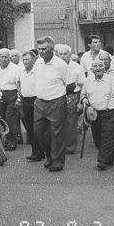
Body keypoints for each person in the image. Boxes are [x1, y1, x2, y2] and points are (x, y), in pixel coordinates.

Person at [33, 36, 75, 172]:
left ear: (52, 49)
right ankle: (49, 156)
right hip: (40, 102)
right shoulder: (38, 62)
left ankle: (58, 161)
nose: (41, 52)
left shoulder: (61, 65)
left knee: (57, 133)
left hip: (56, 101)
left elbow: (71, 85)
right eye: (39, 49)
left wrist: (59, 95)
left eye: (44, 49)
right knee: (40, 132)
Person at [80, 59, 114, 170]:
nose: (98, 68)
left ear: (105, 68)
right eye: (95, 66)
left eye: (101, 66)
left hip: (109, 112)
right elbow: (83, 95)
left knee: (107, 136)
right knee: (97, 138)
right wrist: (84, 99)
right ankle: (108, 157)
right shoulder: (88, 81)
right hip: (94, 114)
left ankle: (102, 160)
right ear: (91, 69)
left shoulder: (113, 80)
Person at [56, 44, 85, 155]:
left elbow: (82, 85)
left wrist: (80, 101)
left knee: (71, 122)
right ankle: (60, 145)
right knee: (58, 121)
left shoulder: (78, 68)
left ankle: (70, 145)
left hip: (72, 96)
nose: (63, 56)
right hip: (58, 95)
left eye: (65, 54)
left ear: (70, 55)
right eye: (60, 54)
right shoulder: (56, 66)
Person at [16, 51, 44, 162]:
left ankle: (41, 151)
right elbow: (18, 83)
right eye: (24, 60)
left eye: (27, 59)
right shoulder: (21, 71)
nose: (25, 62)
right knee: (29, 127)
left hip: (36, 99)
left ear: (33, 60)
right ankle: (35, 151)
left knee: (38, 127)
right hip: (25, 100)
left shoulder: (38, 71)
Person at [0, 48, 21, 151]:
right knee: (1, 119)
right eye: (2, 57)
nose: (4, 59)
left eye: (6, 57)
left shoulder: (15, 68)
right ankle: (3, 140)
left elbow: (18, 84)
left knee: (11, 120)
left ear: (10, 58)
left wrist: (19, 98)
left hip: (11, 95)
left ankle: (12, 141)